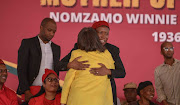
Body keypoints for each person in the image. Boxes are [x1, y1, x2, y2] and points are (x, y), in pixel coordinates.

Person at [57, 21, 126, 105]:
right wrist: (70, 64)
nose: (103, 36)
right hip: (81, 96)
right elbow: (59, 65)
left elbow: (122, 72)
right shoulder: (80, 47)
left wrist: (108, 71)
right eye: (100, 33)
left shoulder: (112, 50)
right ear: (93, 34)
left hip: (105, 94)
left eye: (106, 34)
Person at [17, 18, 61, 103]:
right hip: (31, 90)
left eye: (54, 32)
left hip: (49, 92)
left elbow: (56, 70)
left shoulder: (56, 48)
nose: (51, 34)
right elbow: (21, 69)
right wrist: (26, 91)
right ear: (41, 27)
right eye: (49, 30)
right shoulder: (27, 43)